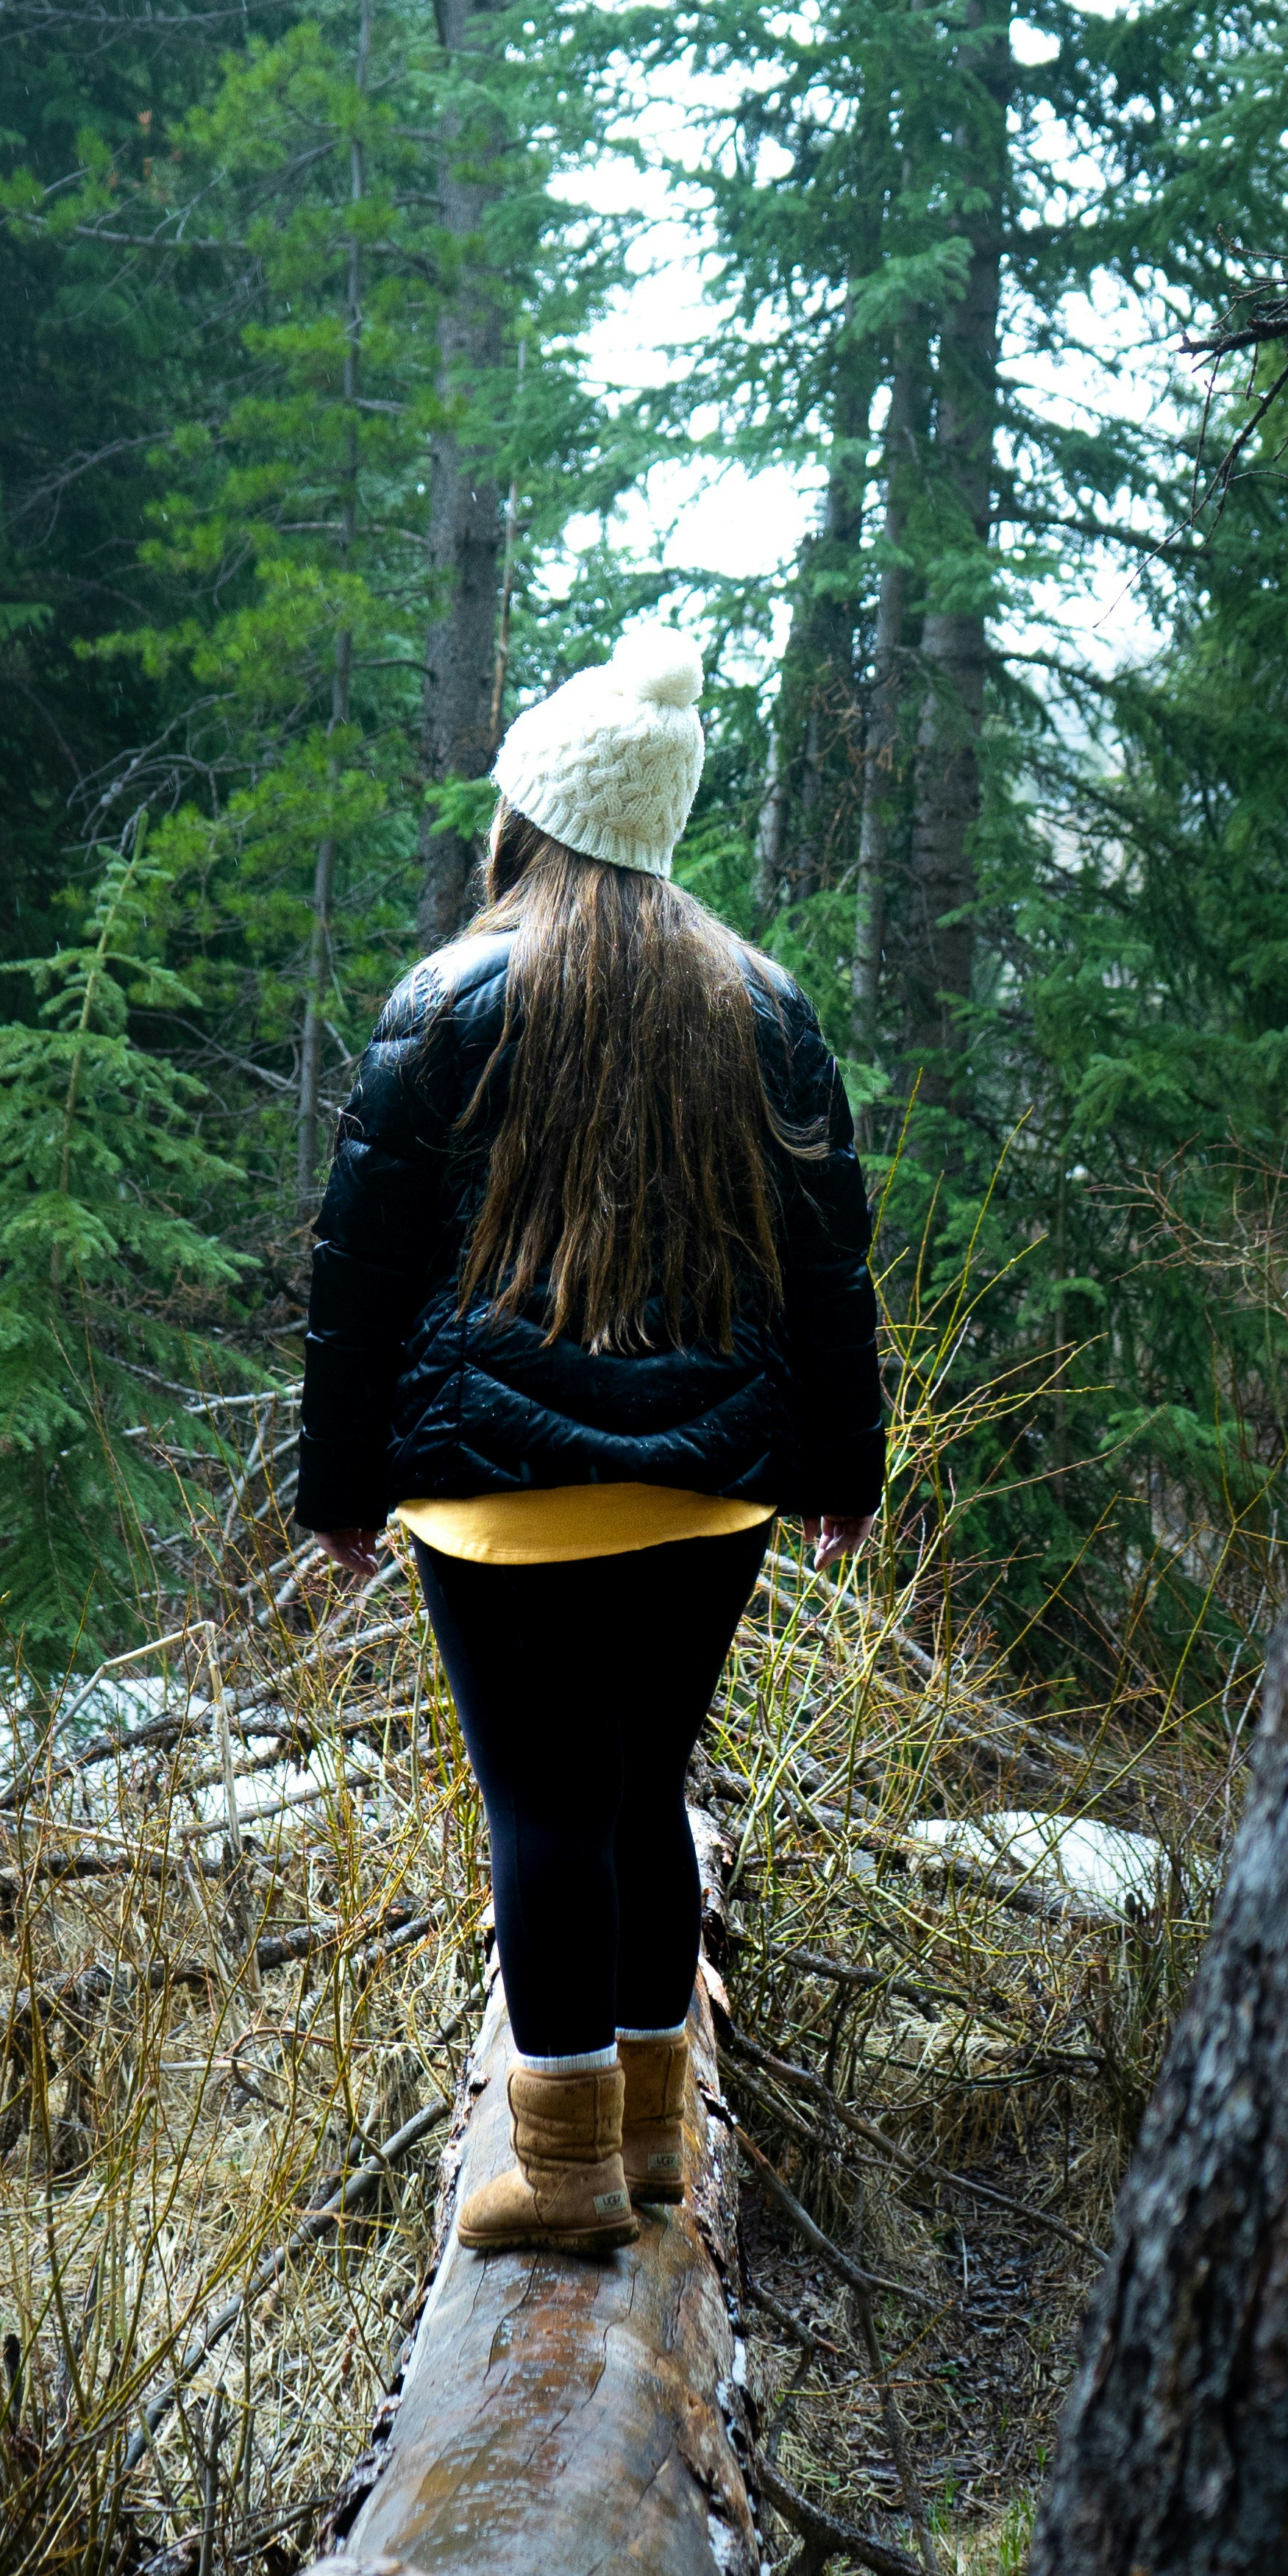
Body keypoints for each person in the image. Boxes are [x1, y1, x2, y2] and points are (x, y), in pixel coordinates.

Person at [295, 628, 886, 2257]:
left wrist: (337, 1488)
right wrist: (844, 1468)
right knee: (640, 1801)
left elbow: (362, 1271)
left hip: (497, 1500)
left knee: (545, 1807)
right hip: (709, 1495)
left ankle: (559, 2174)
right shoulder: (756, 999)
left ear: (535, 814)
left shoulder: (450, 995)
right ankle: (645, 2150)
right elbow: (827, 1261)